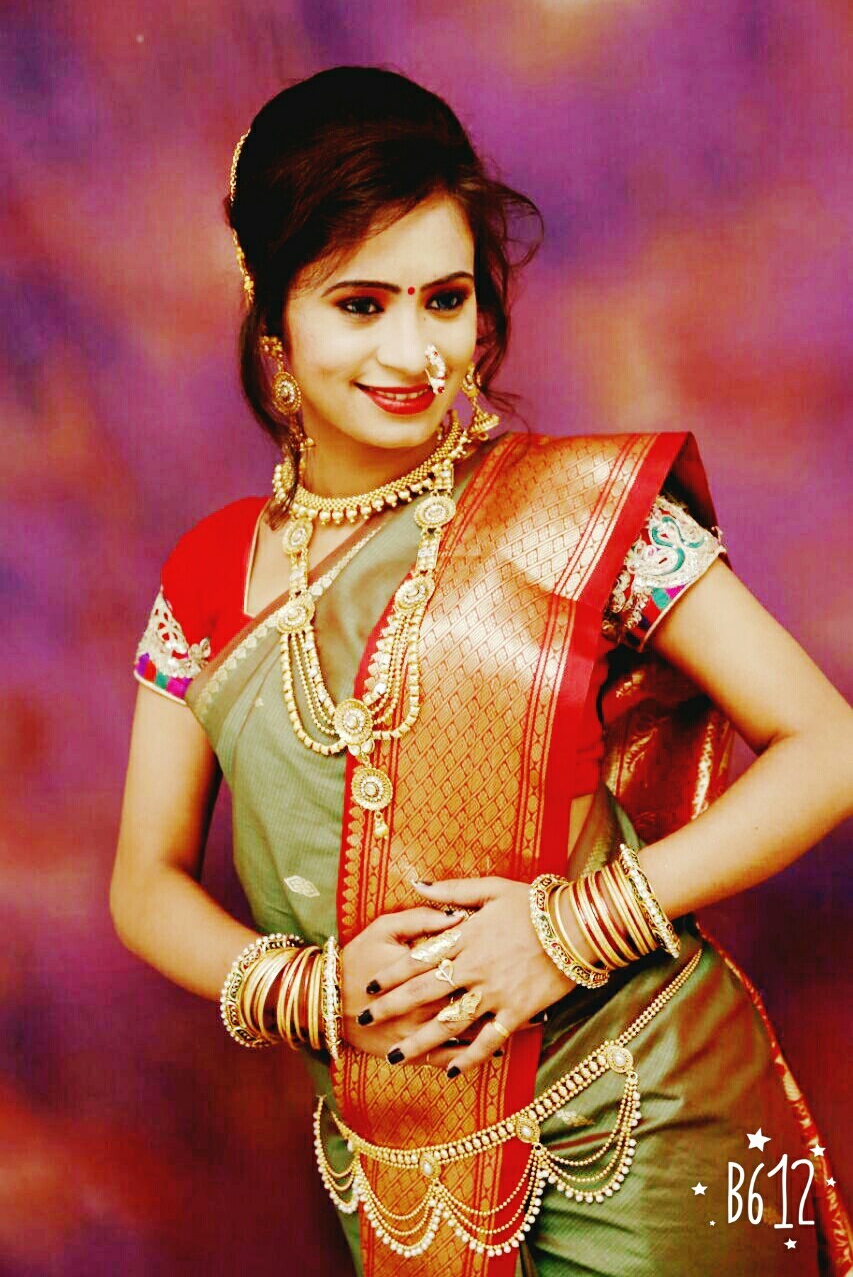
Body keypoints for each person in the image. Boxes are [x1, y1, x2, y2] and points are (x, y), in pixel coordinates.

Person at [110, 66, 853, 1277]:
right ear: (272, 316)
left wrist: (569, 930)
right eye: (360, 304)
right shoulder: (206, 579)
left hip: (651, 1123)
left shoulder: (573, 514)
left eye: (445, 299)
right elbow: (143, 880)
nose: (414, 350)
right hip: (399, 1167)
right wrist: (310, 991)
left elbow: (830, 746)